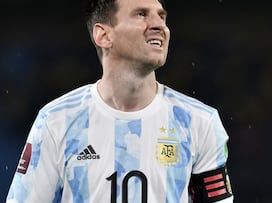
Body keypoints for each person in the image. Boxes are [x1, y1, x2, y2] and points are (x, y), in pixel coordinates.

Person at [6, 0, 233, 202]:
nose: (159, 25)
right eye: (141, 14)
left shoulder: (200, 122)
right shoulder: (56, 120)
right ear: (104, 36)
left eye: (161, 16)